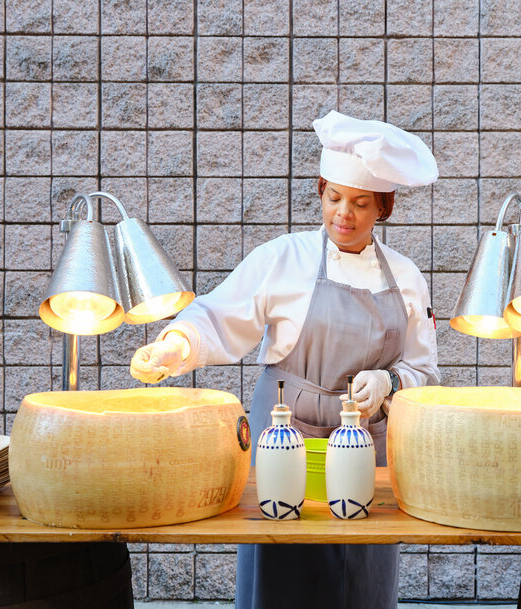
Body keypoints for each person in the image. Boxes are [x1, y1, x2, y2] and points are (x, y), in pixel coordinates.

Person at [130, 110, 441, 608]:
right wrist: (175, 346)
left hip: (363, 446)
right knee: (280, 567)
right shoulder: (284, 259)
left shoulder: (404, 277)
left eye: (361, 203)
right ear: (320, 193)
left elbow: (425, 372)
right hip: (283, 436)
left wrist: (390, 383)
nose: (344, 213)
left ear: (382, 207)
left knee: (358, 573)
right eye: (333, 197)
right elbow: (217, 315)